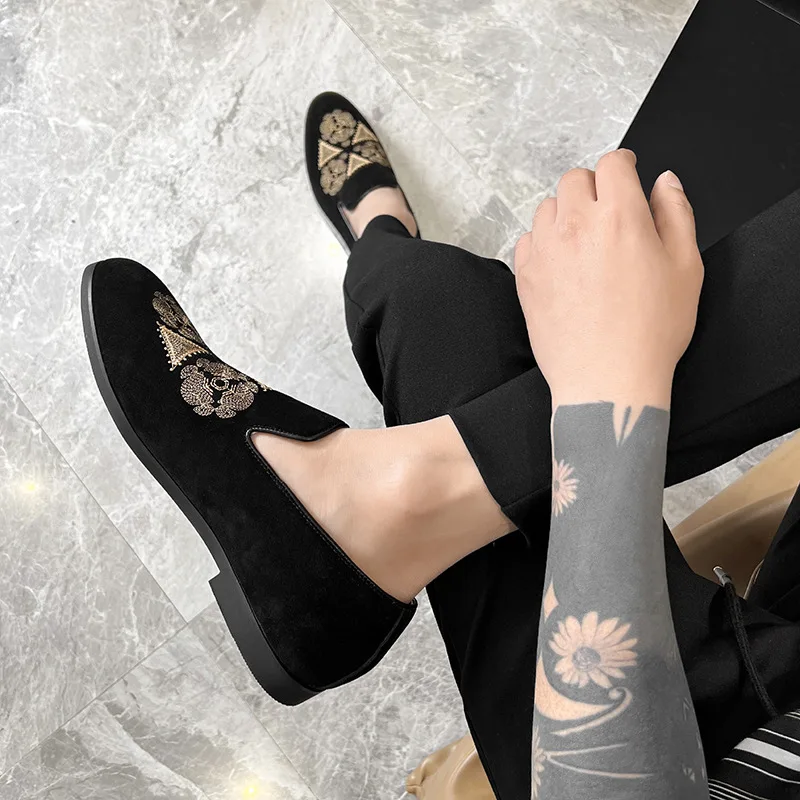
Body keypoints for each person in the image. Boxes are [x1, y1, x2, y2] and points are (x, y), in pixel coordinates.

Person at [81, 91, 800, 799]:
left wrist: (611, 388)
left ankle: (381, 238)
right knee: (451, 301)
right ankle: (385, 257)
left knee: (432, 306)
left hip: (634, 753)